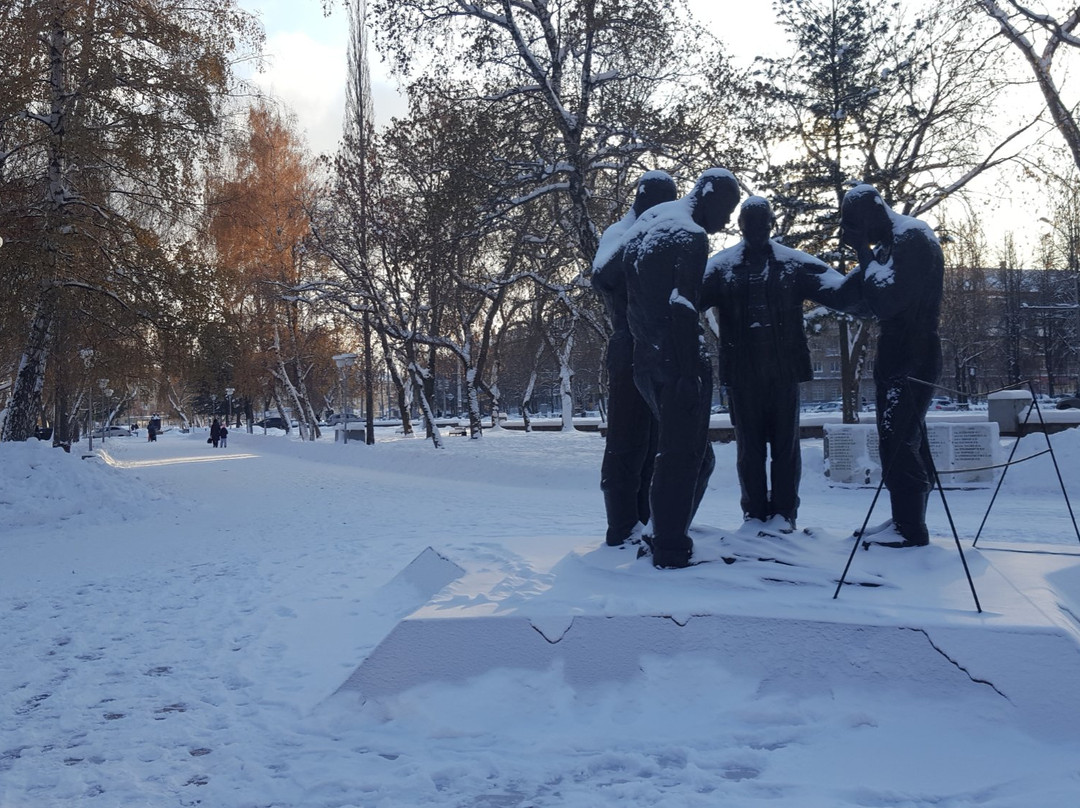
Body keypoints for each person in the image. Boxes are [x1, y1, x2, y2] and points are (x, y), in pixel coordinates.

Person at [701, 196, 866, 533]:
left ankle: (785, 515)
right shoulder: (721, 267)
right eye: (750, 224)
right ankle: (753, 514)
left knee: (785, 448)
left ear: (772, 225)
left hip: (783, 372)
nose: (757, 230)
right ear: (740, 227)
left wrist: (865, 255)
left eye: (763, 224)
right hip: (743, 374)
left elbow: (840, 294)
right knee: (749, 450)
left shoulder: (793, 264)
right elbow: (685, 300)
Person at [622, 167, 742, 568]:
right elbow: (683, 305)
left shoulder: (645, 226)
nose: (726, 220)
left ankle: (660, 532)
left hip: (646, 359)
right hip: (678, 360)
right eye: (726, 209)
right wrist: (690, 372)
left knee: (692, 455)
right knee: (683, 456)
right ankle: (670, 547)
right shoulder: (689, 234)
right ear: (707, 194)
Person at [840, 184, 944, 547]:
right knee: (898, 439)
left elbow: (886, 301)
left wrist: (861, 251)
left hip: (914, 352)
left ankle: (911, 528)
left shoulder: (912, 238)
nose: (853, 232)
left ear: (871, 215)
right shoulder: (888, 246)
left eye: (854, 225)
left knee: (898, 440)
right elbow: (862, 298)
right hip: (895, 352)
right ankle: (905, 517)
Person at [591, 171, 678, 547]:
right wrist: (641, 231)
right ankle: (622, 526)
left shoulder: (668, 238)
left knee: (657, 444)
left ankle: (648, 521)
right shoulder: (619, 234)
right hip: (628, 349)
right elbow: (602, 277)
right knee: (626, 441)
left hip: (662, 351)